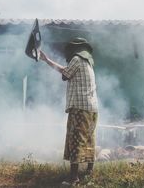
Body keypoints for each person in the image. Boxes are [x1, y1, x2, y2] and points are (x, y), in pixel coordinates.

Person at [39, 38, 98, 185]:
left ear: (75, 50)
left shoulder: (77, 59)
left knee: (75, 139)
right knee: (89, 138)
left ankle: (74, 178)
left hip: (79, 107)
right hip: (92, 108)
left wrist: (47, 60)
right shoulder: (89, 63)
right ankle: (89, 172)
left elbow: (65, 74)